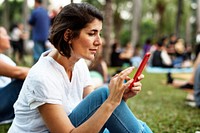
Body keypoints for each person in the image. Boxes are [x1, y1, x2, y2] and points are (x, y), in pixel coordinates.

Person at [8, 3, 152, 133]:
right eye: (92, 33)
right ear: (68, 35)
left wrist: (120, 96)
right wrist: (111, 100)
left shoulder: (79, 64)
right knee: (104, 95)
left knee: (131, 122)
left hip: (73, 126)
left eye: (99, 34)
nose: (99, 42)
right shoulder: (42, 76)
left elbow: (96, 110)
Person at [0, 26, 29, 124]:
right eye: (4, 35)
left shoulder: (4, 58)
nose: (9, 38)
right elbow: (18, 73)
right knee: (25, 81)